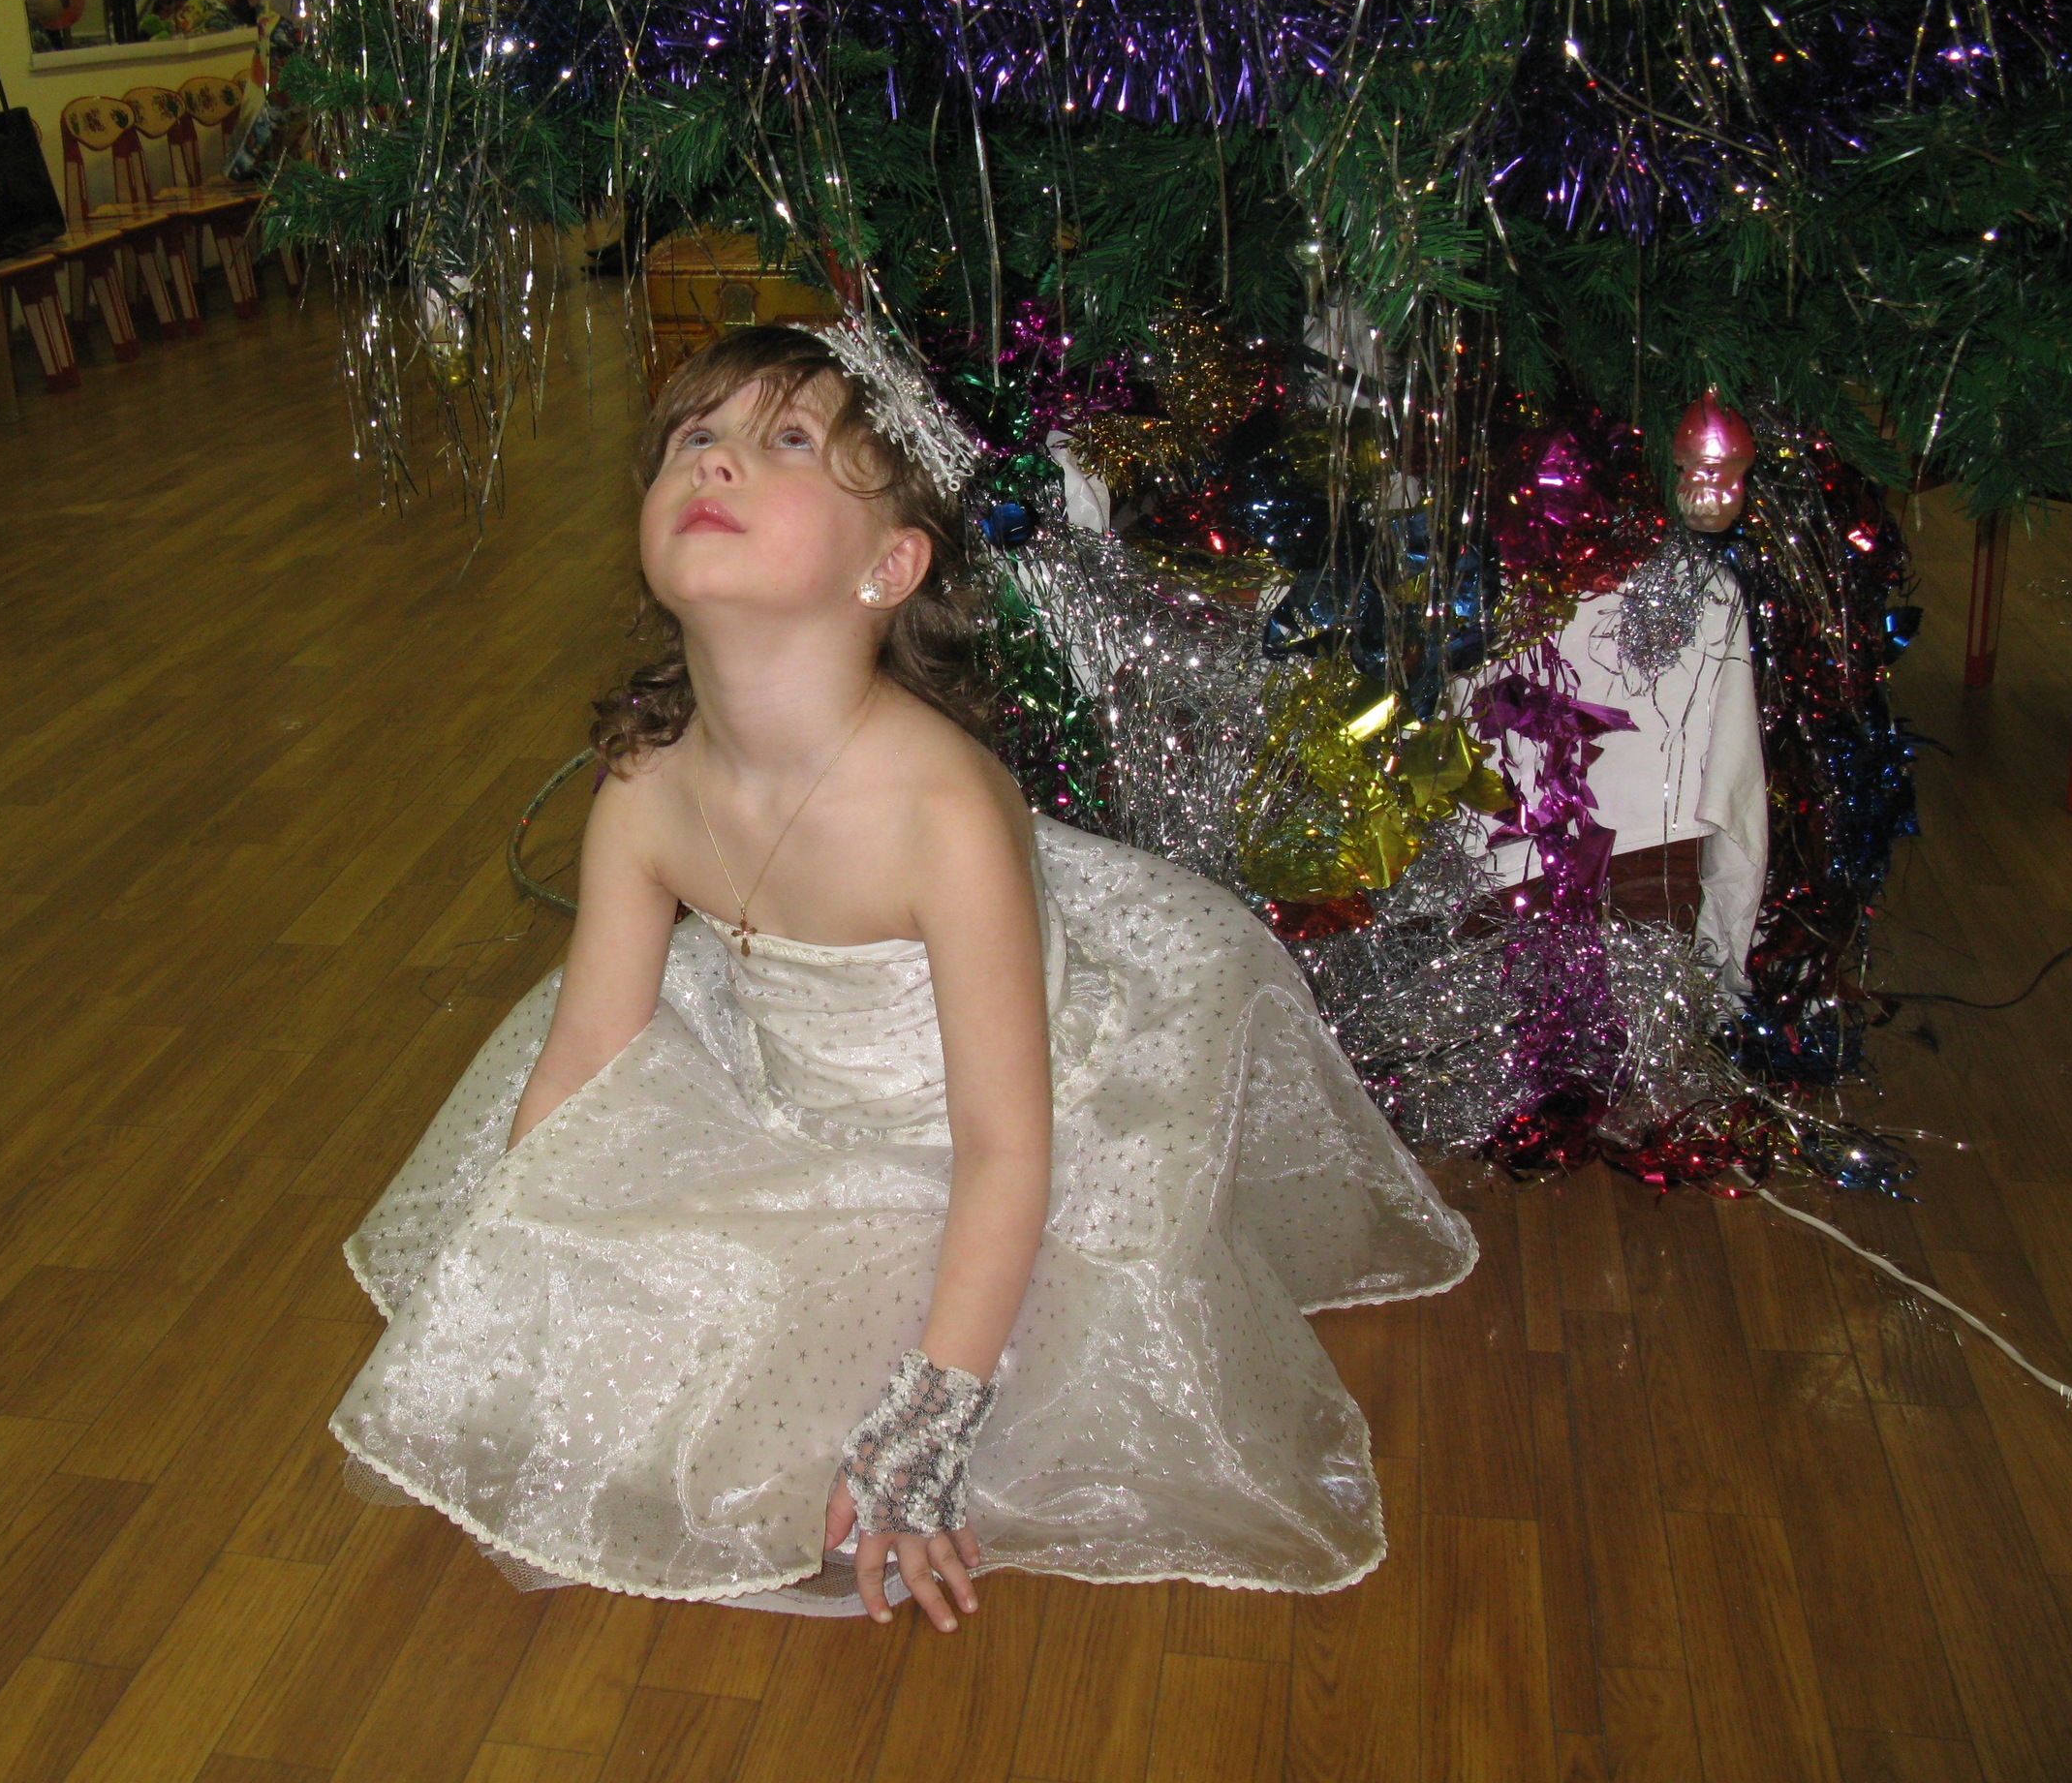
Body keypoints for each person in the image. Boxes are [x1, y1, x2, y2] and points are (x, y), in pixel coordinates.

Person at [329, 317, 1477, 1629]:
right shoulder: (645, 788)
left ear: (889, 566)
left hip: (997, 1129)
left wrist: (931, 1421)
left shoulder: (941, 806)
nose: (714, 460)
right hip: (784, 1090)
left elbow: (1005, 1148)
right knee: (617, 1317)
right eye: (693, 436)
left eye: (786, 439)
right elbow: (588, 1059)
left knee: (872, 1375)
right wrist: (517, 1265)